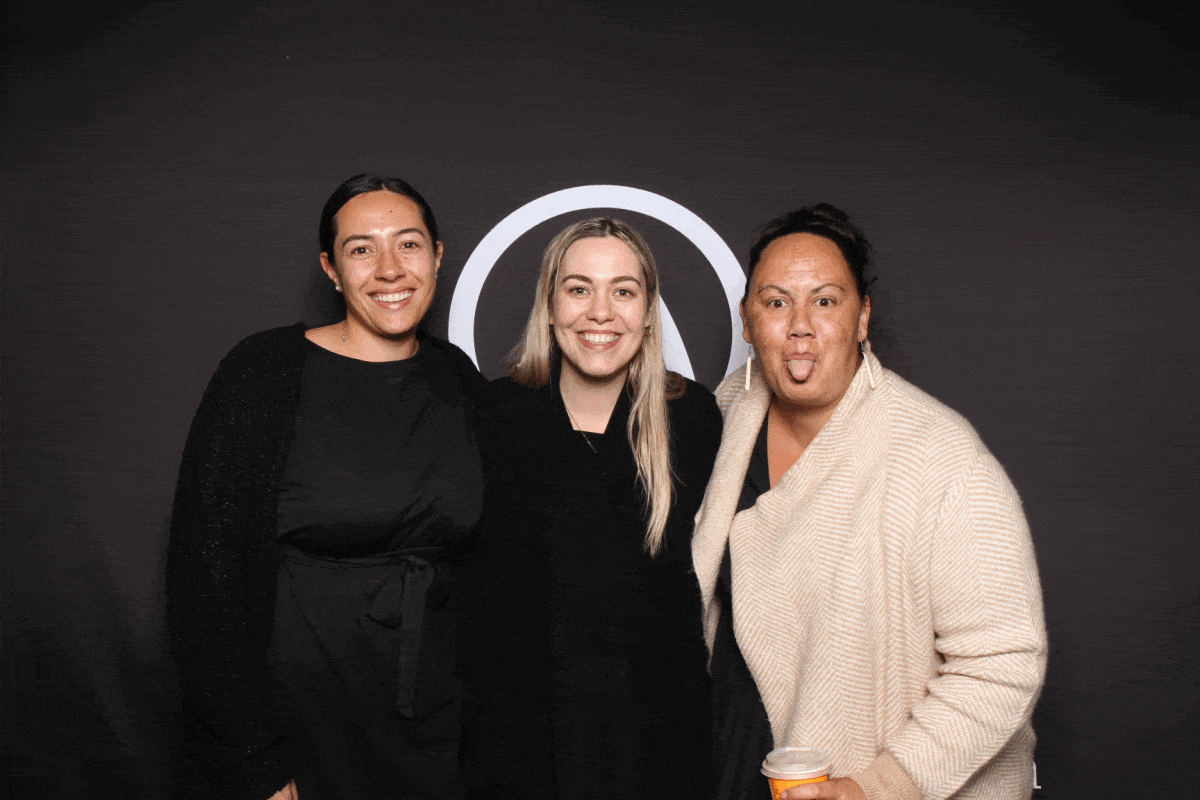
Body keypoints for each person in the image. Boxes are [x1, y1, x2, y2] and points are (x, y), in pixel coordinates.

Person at [693, 205, 1047, 800]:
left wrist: (877, 788)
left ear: (862, 318)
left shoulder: (939, 455)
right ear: (748, 322)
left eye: (825, 301)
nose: (800, 326)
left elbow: (1002, 662)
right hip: (739, 768)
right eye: (776, 302)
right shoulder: (723, 417)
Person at [167, 174, 484, 799]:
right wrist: (252, 759)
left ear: (438, 256)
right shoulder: (263, 373)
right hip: (300, 722)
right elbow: (204, 574)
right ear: (331, 270)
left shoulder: (456, 378)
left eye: (409, 244)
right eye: (362, 249)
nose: (390, 269)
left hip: (435, 720)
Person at [458, 218, 723, 799]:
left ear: (648, 312)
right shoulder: (491, 419)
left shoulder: (693, 420)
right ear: (549, 306)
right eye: (579, 289)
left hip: (659, 747)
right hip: (518, 751)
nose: (600, 313)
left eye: (623, 291)